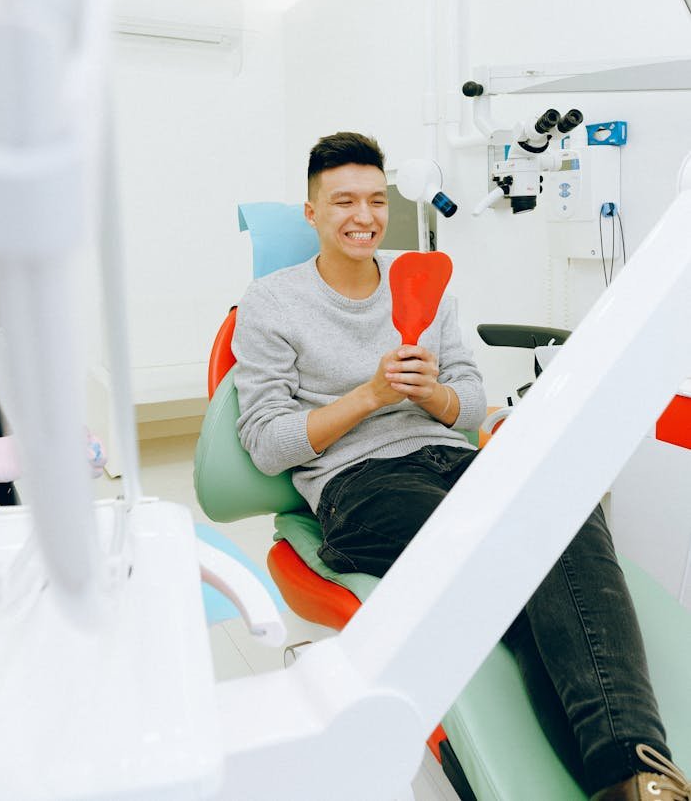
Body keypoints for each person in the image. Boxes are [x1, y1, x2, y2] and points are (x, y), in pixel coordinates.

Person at [233, 130, 690, 801]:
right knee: (503, 546)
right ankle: (629, 766)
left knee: (560, 507)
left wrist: (432, 394)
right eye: (341, 203)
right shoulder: (272, 303)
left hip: (453, 457)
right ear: (312, 214)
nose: (363, 217)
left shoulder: (423, 282)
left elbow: (470, 401)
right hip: (359, 485)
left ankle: (637, 778)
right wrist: (372, 396)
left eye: (373, 200)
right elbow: (267, 443)